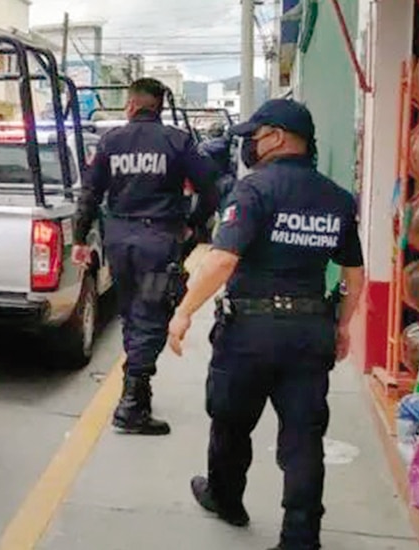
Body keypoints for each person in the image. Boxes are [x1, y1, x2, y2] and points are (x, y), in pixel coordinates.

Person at [166, 99, 364, 550]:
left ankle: (227, 500)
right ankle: (300, 536)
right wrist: (344, 326)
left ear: (276, 137)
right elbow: (354, 276)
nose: (249, 146)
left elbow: (221, 260)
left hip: (250, 334)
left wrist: (183, 313)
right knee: (303, 437)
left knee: (231, 422)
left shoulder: (254, 191)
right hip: (310, 331)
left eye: (254, 137)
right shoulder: (337, 198)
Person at [72, 77, 219, 436]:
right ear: (159, 106)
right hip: (158, 241)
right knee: (152, 315)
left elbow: (89, 192)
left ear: (131, 105)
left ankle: (137, 391)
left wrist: (79, 238)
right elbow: (212, 189)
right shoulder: (177, 141)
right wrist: (192, 225)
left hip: (119, 242)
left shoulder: (111, 141)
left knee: (131, 313)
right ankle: (131, 403)